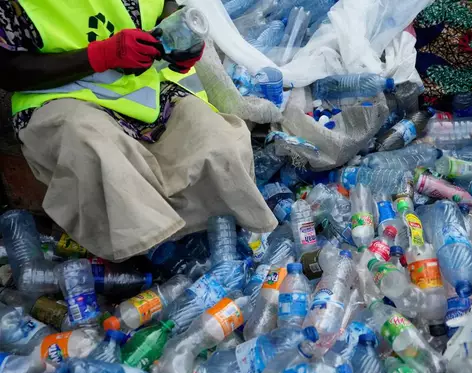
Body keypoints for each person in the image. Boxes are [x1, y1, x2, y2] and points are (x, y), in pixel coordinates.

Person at [0, 0, 278, 260]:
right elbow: (8, 69)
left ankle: (212, 242)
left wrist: (177, 38)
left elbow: (165, 4)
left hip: (141, 88)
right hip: (59, 94)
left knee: (217, 142)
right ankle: (144, 256)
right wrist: (101, 55)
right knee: (96, 153)